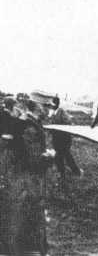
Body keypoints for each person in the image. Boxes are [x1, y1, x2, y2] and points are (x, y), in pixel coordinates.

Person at [1, 100, 55, 255]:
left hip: (19, 179)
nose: (47, 110)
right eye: (45, 106)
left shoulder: (24, 122)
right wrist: (49, 157)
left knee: (18, 217)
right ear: (37, 107)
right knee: (23, 219)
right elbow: (34, 160)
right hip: (27, 180)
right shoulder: (30, 127)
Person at [47, 97, 82, 190]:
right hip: (56, 139)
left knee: (65, 155)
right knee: (62, 156)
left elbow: (68, 123)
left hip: (64, 139)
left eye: (52, 104)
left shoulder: (62, 112)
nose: (50, 105)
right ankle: (66, 173)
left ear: (56, 104)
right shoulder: (53, 113)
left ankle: (71, 172)